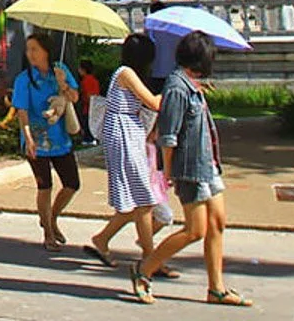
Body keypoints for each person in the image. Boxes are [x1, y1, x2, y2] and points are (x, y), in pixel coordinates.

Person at [132, 32, 251, 307]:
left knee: (217, 223)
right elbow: (168, 136)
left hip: (208, 166)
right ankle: (144, 269)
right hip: (189, 169)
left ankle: (216, 289)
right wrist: (169, 172)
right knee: (194, 230)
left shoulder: (190, 85)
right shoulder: (176, 88)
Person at [87, 33, 178, 277]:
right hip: (124, 137)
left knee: (134, 202)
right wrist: (175, 88)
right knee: (143, 201)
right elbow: (154, 103)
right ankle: (150, 259)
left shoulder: (130, 74)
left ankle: (103, 240)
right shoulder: (126, 73)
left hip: (130, 135)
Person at [11, 31, 80, 251]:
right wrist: (28, 138)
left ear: (46, 51)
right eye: (28, 49)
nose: (30, 54)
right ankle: (48, 233)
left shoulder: (60, 70)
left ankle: (51, 217)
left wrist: (64, 85)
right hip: (37, 140)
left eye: (35, 49)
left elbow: (75, 97)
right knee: (45, 186)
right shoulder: (24, 79)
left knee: (71, 183)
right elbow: (21, 110)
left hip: (60, 139)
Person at [77, 60, 101, 145]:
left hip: (88, 107)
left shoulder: (85, 81)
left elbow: (88, 95)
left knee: (87, 123)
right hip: (95, 106)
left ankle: (88, 139)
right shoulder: (95, 80)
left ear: (84, 70)